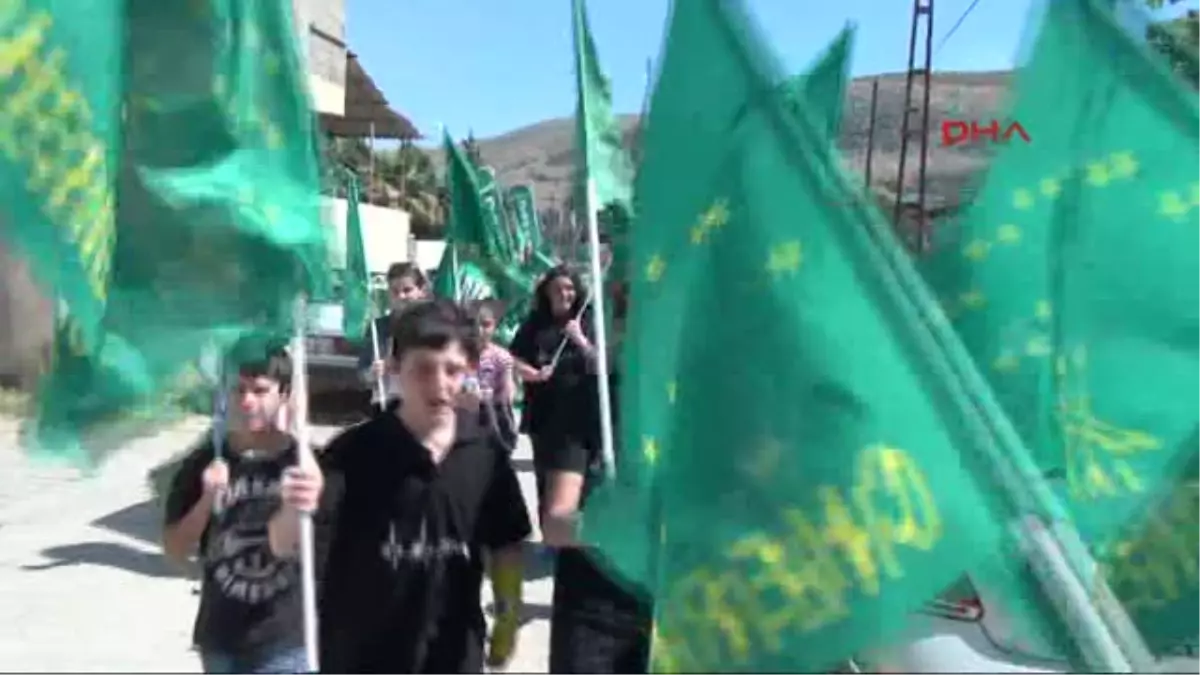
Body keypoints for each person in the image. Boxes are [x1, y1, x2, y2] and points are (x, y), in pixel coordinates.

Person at [269, 299, 532, 673]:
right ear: (395, 366)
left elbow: (506, 541)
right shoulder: (353, 454)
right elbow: (283, 545)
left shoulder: (483, 454)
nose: (440, 385)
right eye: (423, 369)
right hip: (360, 657)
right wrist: (294, 505)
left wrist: (508, 614)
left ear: (471, 369)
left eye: (453, 370)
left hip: (453, 654)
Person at [162, 340, 308, 673]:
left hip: (285, 639)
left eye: (260, 390)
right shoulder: (203, 463)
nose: (247, 401)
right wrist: (204, 502)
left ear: (284, 394)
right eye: (239, 390)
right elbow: (174, 550)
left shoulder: (304, 466)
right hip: (221, 638)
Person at [509, 265, 597, 517]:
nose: (563, 294)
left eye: (569, 288)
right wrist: (534, 374)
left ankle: (566, 547)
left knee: (561, 508)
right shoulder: (535, 323)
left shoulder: (589, 319)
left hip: (577, 422)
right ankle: (556, 552)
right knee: (544, 496)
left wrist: (581, 339)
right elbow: (514, 359)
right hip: (543, 419)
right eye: (556, 288)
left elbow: (603, 364)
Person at [359, 262, 429, 410]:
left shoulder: (432, 326)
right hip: (385, 403)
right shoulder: (377, 328)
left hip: (421, 404)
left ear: (421, 290)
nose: (401, 296)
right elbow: (362, 373)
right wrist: (373, 372)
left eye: (407, 290)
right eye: (395, 291)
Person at [466, 299, 518, 453]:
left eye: (485, 325)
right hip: (466, 409)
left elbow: (508, 387)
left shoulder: (501, 356)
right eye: (473, 324)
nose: (479, 330)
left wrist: (505, 396)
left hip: (491, 410)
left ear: (495, 326)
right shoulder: (459, 354)